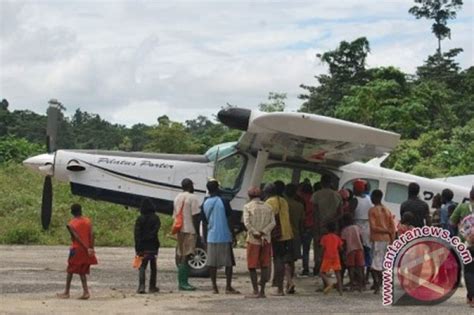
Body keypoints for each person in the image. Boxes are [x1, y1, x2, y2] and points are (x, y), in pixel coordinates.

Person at [203, 180, 239, 294]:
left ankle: (214, 287)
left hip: (211, 236)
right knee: (228, 263)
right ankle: (228, 287)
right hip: (224, 235)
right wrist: (233, 234)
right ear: (218, 188)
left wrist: (204, 238)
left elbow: (204, 222)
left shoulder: (205, 203)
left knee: (212, 264)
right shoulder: (224, 201)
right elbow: (230, 219)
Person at [57, 204, 98, 300]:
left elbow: (76, 237)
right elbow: (92, 234)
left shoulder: (71, 224)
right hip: (86, 250)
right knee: (82, 271)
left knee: (70, 270)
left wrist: (85, 247)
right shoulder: (88, 221)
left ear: (72, 212)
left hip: (77, 249)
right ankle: (86, 292)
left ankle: (66, 292)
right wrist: (91, 247)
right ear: (81, 210)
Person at [243, 186, 276, 298]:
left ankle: (255, 290)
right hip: (266, 239)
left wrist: (255, 232)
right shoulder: (268, 207)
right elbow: (273, 223)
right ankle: (262, 291)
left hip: (253, 239)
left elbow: (247, 223)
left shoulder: (247, 207)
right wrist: (263, 232)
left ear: (249, 196)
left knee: (252, 265)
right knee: (265, 265)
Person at [265, 181, 293, 296]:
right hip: (286, 233)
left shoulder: (270, 202)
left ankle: (279, 288)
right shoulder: (283, 200)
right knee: (281, 258)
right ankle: (279, 285)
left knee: (278, 259)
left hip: (277, 235)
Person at [312, 175, 342, 276]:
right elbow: (340, 213)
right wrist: (332, 221)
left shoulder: (316, 195)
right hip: (333, 227)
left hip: (320, 225)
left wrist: (317, 228)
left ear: (321, 183)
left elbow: (315, 213)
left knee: (320, 247)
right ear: (331, 183)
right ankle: (332, 269)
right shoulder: (337, 195)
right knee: (333, 248)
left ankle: (319, 268)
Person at [173, 178, 200, 291]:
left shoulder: (177, 197)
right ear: (190, 186)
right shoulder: (193, 198)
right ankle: (183, 283)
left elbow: (175, 214)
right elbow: (195, 216)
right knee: (187, 255)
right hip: (189, 229)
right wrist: (197, 231)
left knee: (180, 253)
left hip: (179, 229)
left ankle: (181, 281)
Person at [368, 189, 396, 294]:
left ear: (375, 197)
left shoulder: (372, 210)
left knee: (376, 264)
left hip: (378, 239)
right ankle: (383, 283)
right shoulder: (387, 210)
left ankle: (379, 284)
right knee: (383, 263)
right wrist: (392, 240)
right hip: (387, 239)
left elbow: (373, 227)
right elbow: (393, 228)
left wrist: (385, 230)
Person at [134, 198, 161, 294]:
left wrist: (137, 248)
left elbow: (137, 234)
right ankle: (152, 286)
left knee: (142, 266)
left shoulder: (140, 219)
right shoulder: (156, 218)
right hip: (153, 246)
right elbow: (155, 231)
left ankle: (141, 286)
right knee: (153, 266)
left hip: (142, 246)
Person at [351, 179, 372, 286]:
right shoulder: (369, 199)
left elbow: (350, 214)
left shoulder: (355, 200)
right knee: (367, 253)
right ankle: (366, 277)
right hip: (367, 227)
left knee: (357, 253)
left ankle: (357, 279)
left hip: (357, 227)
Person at [285, 183, 305, 294]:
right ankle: (288, 283)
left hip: (285, 235)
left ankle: (289, 281)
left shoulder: (284, 204)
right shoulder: (300, 206)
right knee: (292, 261)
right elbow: (302, 223)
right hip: (296, 235)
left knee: (285, 261)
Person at [340, 213, 365, 292]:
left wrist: (343, 252)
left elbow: (344, 242)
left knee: (351, 268)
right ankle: (361, 286)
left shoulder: (344, 230)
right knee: (360, 268)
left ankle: (352, 286)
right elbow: (361, 238)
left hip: (350, 250)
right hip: (359, 249)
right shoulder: (357, 228)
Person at [319, 222, 343, 295]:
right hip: (336, 256)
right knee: (337, 273)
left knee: (322, 272)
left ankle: (329, 282)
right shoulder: (337, 237)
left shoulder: (324, 237)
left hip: (327, 257)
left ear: (327, 229)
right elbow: (341, 248)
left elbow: (322, 248)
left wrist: (320, 256)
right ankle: (340, 290)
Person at [297, 182, 313, 276]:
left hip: (301, 225)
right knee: (306, 249)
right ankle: (306, 268)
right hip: (311, 226)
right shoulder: (313, 198)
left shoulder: (300, 198)